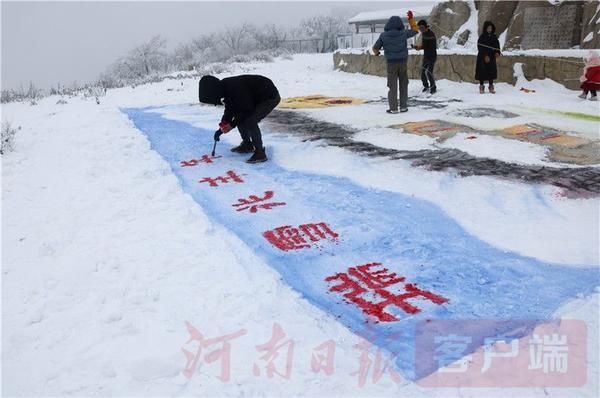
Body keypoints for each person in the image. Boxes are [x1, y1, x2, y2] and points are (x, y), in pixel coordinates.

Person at [198, 74, 280, 163]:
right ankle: (247, 144)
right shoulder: (225, 88)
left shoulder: (235, 88)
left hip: (268, 96)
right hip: (254, 98)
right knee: (241, 116)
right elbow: (230, 107)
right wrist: (223, 124)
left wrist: (231, 125)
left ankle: (260, 153)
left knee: (250, 120)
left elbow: (247, 110)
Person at [372, 11, 418, 113]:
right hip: (403, 63)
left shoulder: (383, 35)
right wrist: (411, 19)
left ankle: (393, 108)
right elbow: (415, 30)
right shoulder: (404, 33)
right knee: (403, 84)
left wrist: (377, 53)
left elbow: (375, 48)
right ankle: (403, 107)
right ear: (400, 24)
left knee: (392, 86)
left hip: (391, 63)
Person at [475, 21, 501, 94]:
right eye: (488, 28)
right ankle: (481, 86)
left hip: (491, 57)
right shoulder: (482, 37)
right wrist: (485, 56)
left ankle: (491, 86)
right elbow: (480, 47)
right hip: (483, 57)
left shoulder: (494, 37)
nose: (489, 29)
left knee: (491, 72)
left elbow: (497, 46)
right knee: (482, 72)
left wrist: (497, 52)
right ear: (485, 28)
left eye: (491, 28)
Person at [415, 19, 437, 94]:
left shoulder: (431, 34)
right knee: (423, 73)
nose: (420, 30)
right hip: (426, 56)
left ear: (425, 27)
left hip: (432, 56)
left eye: (421, 28)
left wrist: (421, 47)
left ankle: (433, 87)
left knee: (429, 72)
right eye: (419, 28)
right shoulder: (424, 34)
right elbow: (424, 46)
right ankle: (426, 86)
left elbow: (430, 46)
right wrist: (418, 47)